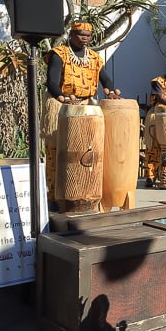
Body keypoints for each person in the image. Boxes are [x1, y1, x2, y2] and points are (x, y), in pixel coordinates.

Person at [42, 21, 120, 203]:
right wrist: (64, 98)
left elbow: (106, 80)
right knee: (58, 150)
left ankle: (82, 193)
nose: (85, 38)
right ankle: (55, 195)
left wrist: (110, 91)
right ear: (71, 35)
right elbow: (52, 82)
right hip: (60, 104)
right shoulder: (59, 54)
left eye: (88, 35)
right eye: (81, 35)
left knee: (85, 151)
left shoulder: (94, 58)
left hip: (85, 107)